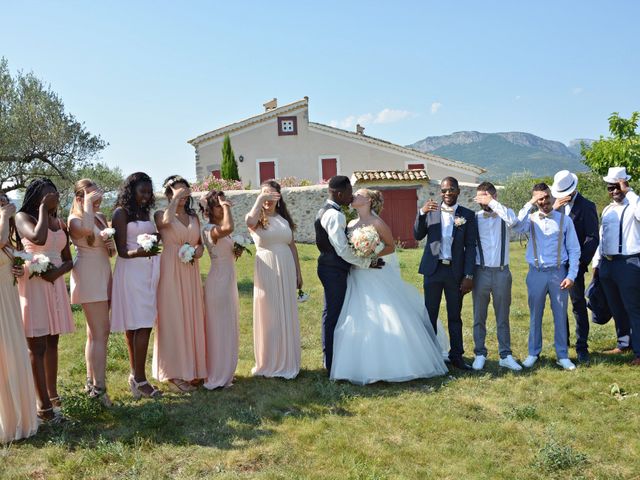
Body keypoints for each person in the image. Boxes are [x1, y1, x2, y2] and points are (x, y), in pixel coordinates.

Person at [331, 189, 448, 384]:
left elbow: (390, 246)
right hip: (357, 275)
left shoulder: (377, 223)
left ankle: (397, 363)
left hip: (375, 273)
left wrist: (370, 254)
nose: (353, 196)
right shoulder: (350, 223)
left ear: (368, 200)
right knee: (358, 316)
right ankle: (357, 366)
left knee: (385, 313)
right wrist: (358, 255)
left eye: (358, 194)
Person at [15, 178, 75, 420]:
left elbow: (69, 259)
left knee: (53, 342)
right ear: (37, 197)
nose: (54, 198)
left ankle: (53, 395)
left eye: (55, 195)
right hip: (33, 285)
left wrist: (56, 273)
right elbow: (38, 240)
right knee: (37, 346)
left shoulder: (58, 221)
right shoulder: (22, 218)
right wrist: (41, 209)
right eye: (48, 195)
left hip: (54, 284)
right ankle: (43, 407)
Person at [315, 175, 381, 373]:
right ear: (338, 193)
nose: (351, 197)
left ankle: (333, 358)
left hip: (330, 267)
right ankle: (331, 361)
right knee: (334, 314)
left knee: (333, 313)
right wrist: (366, 262)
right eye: (349, 193)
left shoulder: (326, 210)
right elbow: (342, 249)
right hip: (333, 269)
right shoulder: (335, 215)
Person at [513, 182, 581, 370]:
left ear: (551, 196)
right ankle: (533, 353)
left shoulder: (565, 220)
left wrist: (572, 275)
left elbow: (574, 250)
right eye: (539, 199)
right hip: (536, 273)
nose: (544, 201)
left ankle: (562, 355)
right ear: (535, 201)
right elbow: (516, 224)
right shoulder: (531, 219)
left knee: (560, 314)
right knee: (535, 314)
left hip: (558, 272)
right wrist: (529, 203)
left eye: (546, 197)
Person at [414, 176, 477, 370]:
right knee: (429, 314)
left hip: (455, 272)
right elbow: (417, 234)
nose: (447, 193)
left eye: (451, 190)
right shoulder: (431, 212)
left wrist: (469, 275)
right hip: (433, 271)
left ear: (458, 191)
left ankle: (457, 356)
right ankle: (428, 356)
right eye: (443, 190)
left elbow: (471, 247)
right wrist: (421, 213)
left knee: (454, 316)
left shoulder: (467, 215)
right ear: (439, 192)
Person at [152, 175, 207, 392]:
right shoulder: (160, 214)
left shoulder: (194, 217)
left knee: (191, 315)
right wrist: (175, 200)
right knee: (173, 317)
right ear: (169, 193)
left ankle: (192, 369)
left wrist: (198, 251)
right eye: (177, 192)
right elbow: (165, 222)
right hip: (170, 270)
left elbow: (200, 243)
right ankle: (174, 373)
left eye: (185, 192)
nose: (183, 196)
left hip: (190, 270)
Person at [111, 172, 162, 398]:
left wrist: (155, 240)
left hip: (148, 270)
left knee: (140, 324)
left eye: (149, 192)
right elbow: (121, 250)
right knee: (140, 325)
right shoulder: (121, 213)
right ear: (131, 191)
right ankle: (141, 380)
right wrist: (140, 252)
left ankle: (135, 376)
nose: (146, 196)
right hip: (130, 270)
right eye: (142, 192)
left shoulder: (145, 213)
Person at [246, 180, 302, 378]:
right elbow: (248, 222)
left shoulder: (283, 219)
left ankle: (287, 360)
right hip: (267, 268)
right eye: (264, 195)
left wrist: (298, 272)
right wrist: (260, 199)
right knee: (270, 313)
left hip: (286, 267)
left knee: (285, 311)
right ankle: (269, 361)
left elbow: (292, 245)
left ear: (278, 197)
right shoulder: (257, 219)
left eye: (271, 195)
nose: (268, 199)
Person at [68, 179, 115, 406]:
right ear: (80, 198)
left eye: (99, 198)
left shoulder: (99, 216)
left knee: (93, 333)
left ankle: (91, 383)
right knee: (101, 332)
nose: (98, 202)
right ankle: (100, 388)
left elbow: (110, 251)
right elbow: (86, 231)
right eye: (93, 197)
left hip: (103, 272)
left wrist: (109, 243)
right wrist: (87, 204)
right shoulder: (75, 220)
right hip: (88, 275)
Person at [471, 182, 522, 371]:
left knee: (503, 315)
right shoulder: (475, 218)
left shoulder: (504, 214)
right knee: (479, 315)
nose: (481, 200)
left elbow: (514, 222)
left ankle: (505, 355)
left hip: (502, 272)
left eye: (485, 196)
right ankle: (479, 353)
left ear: (494, 196)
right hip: (481, 272)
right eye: (480, 197)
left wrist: (492, 203)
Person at [592, 167, 640, 366]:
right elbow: (602, 238)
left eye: (617, 187)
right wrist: (597, 264)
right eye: (610, 188)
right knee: (616, 307)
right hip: (607, 264)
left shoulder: (634, 205)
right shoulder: (608, 209)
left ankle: (639, 352)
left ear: (625, 185)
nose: (614, 191)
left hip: (629, 263)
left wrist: (630, 191)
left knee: (634, 308)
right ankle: (623, 343)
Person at [0, 191, 38, 441]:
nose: (4, 205)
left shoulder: (7, 230)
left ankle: (19, 416)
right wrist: (4, 216)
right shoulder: (3, 227)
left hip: (8, 300)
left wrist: (16, 267)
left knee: (14, 353)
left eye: (4, 200)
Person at [550, 170, 599, 363]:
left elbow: (593, 237)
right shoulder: (556, 207)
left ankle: (582, 346)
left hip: (576, 265)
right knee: (559, 305)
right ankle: (564, 342)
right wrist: (552, 210)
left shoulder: (587, 206)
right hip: (556, 264)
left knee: (578, 305)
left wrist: (580, 261)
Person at [200, 190, 240, 389]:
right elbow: (229, 226)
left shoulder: (220, 229)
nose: (222, 208)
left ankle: (226, 371)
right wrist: (226, 205)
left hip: (228, 280)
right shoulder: (210, 229)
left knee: (227, 326)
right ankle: (217, 374)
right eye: (217, 205)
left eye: (221, 204)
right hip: (218, 282)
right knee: (218, 329)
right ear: (209, 210)